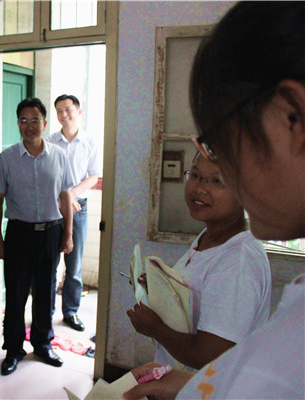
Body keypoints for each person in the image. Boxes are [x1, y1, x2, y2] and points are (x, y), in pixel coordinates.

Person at [124, 2, 304, 399]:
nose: (220, 177)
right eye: (198, 171)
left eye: (223, 142)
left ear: (292, 117)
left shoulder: (239, 259)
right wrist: (195, 387)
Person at [127, 153, 271, 370]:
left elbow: (208, 356)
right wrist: (161, 288)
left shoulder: (238, 262)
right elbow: (198, 298)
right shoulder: (210, 236)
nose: (199, 188)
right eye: (194, 175)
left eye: (217, 181)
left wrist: (155, 329)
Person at [0, 97, 75, 375]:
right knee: (16, 294)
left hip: (50, 233)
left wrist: (68, 234)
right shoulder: (7, 158)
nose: (29, 126)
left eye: (35, 120)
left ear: (44, 123)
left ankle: (42, 344)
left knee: (45, 291)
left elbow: (66, 196)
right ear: (18, 124)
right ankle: (13, 349)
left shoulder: (59, 156)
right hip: (19, 234)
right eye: (24, 121)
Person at [46, 94, 101, 331]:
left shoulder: (89, 142)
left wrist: (72, 195)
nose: (63, 115)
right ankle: (46, 311)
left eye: (68, 109)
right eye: (59, 110)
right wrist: (62, 198)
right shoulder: (49, 141)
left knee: (74, 265)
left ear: (79, 112)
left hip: (79, 208)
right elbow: (45, 175)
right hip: (52, 208)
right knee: (49, 264)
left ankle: (70, 312)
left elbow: (94, 175)